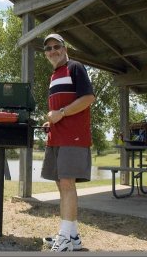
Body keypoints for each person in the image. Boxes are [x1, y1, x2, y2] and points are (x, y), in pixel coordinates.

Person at [41, 33, 95, 252]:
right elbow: (59, 108)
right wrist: (52, 121)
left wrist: (61, 113)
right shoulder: (54, 75)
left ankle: (64, 238)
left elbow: (88, 98)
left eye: (56, 46)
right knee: (61, 185)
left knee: (67, 184)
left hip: (73, 137)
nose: (53, 51)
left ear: (65, 49)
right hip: (56, 136)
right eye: (48, 48)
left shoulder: (75, 67)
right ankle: (71, 236)